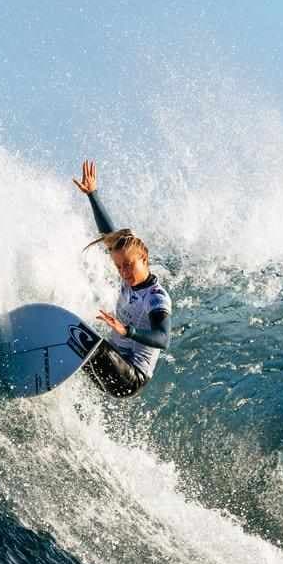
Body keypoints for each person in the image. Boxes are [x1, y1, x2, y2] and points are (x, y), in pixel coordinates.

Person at [72, 160, 173, 398]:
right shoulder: (127, 282)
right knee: (76, 337)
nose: (124, 271)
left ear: (144, 259)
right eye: (119, 266)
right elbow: (110, 235)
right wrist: (92, 195)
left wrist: (127, 331)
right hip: (115, 361)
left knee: (77, 336)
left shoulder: (156, 298)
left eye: (129, 265)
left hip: (131, 377)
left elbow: (163, 338)